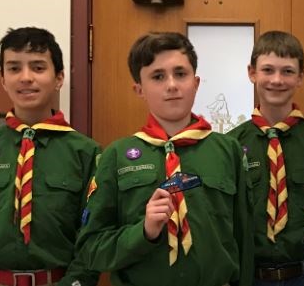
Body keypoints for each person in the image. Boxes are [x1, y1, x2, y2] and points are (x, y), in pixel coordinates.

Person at [76, 31, 253, 286]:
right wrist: (144, 232)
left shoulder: (229, 152)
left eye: (180, 74)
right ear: (139, 89)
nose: (171, 84)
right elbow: (91, 250)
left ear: (196, 82)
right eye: (158, 76)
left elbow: (244, 243)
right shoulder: (115, 157)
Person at [0, 27, 101, 286]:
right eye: (14, 68)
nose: (26, 78)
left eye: (38, 68)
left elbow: (91, 239)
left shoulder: (87, 153)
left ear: (59, 77)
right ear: (3, 79)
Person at [227, 30, 304, 285]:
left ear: (301, 77)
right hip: (249, 276)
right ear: (252, 72)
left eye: (288, 71)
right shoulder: (230, 145)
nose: (277, 80)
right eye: (268, 70)